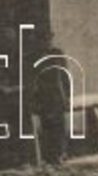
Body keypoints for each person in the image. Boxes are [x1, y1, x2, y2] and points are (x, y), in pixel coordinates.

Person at [30, 31, 71, 165]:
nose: (46, 42)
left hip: (57, 94)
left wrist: (67, 94)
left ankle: (61, 153)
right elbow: (34, 78)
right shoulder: (35, 56)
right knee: (47, 125)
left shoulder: (57, 54)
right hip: (43, 95)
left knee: (59, 124)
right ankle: (50, 155)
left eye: (48, 39)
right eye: (43, 40)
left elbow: (64, 75)